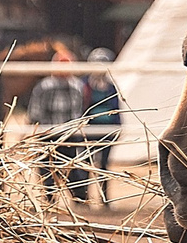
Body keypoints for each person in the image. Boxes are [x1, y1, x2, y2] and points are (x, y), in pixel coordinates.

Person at [24, 47, 87, 208]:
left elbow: (77, 111)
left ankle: (79, 198)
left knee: (70, 168)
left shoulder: (76, 86)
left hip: (67, 134)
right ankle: (51, 199)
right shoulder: (45, 86)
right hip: (49, 134)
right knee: (47, 168)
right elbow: (35, 111)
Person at [77, 49, 124, 209]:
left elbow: (116, 108)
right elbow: (81, 108)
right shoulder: (83, 85)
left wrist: (117, 128)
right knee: (86, 164)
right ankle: (84, 198)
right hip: (88, 130)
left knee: (104, 165)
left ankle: (104, 198)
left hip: (107, 131)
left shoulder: (110, 87)